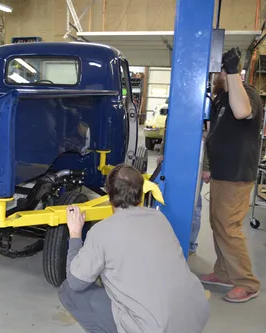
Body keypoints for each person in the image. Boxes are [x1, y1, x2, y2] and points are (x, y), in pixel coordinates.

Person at [59, 164, 209, 333]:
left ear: (109, 193)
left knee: (68, 290)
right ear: (140, 192)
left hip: (154, 328)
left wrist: (75, 233)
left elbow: (75, 282)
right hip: (193, 317)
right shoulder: (159, 218)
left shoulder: (102, 232)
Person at [199, 47, 263, 303]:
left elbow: (242, 112)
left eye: (220, 71)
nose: (217, 75)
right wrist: (208, 165)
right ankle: (225, 272)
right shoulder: (222, 99)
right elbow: (214, 135)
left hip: (237, 173)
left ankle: (247, 283)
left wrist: (234, 72)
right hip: (222, 172)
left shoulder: (246, 94)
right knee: (218, 224)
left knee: (229, 227)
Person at [158, 127, 205, 257]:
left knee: (193, 205)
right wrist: (163, 152)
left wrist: (205, 166)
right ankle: (172, 241)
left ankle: (190, 245)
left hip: (194, 162)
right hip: (173, 161)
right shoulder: (174, 108)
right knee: (170, 200)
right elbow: (168, 131)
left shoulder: (205, 111)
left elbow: (207, 139)